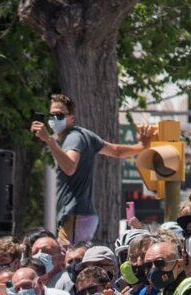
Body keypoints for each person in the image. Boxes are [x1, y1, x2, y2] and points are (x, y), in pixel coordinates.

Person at [30, 94, 155, 244]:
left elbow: (70, 167)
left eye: (59, 115)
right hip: (81, 217)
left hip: (76, 215)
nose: (54, 119)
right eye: (51, 115)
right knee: (75, 261)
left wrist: (48, 140)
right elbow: (116, 151)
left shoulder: (73, 138)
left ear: (71, 118)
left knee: (69, 261)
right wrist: (141, 146)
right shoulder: (84, 135)